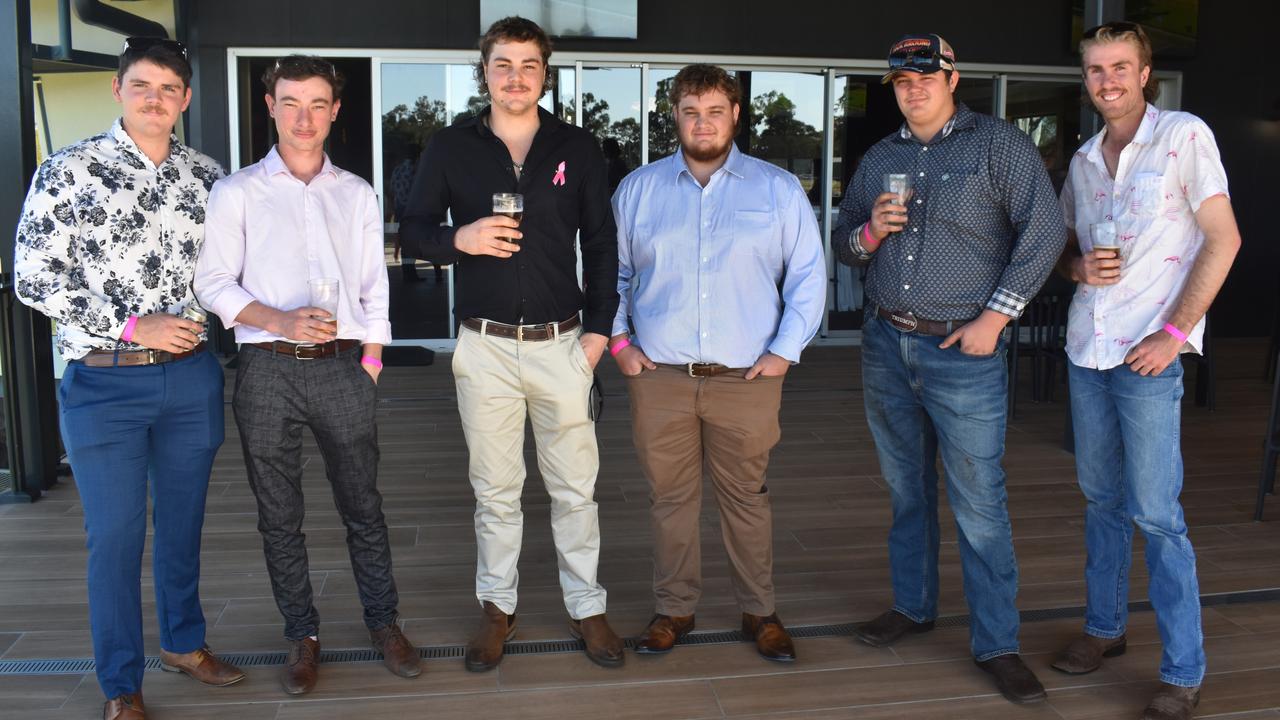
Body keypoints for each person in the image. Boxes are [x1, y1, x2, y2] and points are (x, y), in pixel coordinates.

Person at [13, 36, 244, 720]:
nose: (155, 99)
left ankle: (182, 643)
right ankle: (121, 683)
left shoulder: (210, 178)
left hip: (190, 380)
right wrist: (129, 322)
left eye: (169, 89)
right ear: (119, 90)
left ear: (186, 99)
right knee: (114, 536)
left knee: (182, 524)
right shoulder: (67, 172)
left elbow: (233, 272)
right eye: (142, 85)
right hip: (102, 385)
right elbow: (32, 276)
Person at [832, 33, 1065, 704]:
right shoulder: (881, 157)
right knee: (907, 492)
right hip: (886, 344)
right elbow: (846, 244)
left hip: (962, 353)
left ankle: (998, 643)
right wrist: (871, 231)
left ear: (952, 77)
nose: (914, 87)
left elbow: (1043, 232)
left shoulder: (999, 146)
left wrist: (996, 318)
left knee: (979, 503)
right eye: (902, 80)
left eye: (925, 75)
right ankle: (913, 606)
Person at [398, 17, 624, 671]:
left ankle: (588, 607)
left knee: (574, 490)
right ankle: (498, 609)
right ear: (485, 71)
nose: (516, 76)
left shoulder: (578, 147)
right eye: (504, 64)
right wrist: (458, 240)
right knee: (495, 491)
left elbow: (603, 244)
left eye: (529, 65)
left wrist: (601, 331)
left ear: (544, 74)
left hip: (562, 345)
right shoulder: (450, 146)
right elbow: (413, 229)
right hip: (485, 346)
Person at [195, 54, 419, 695]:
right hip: (266, 370)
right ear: (270, 106)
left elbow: (374, 285)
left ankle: (384, 622)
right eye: (291, 102)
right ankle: (303, 635)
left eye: (317, 104)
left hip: (344, 369)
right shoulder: (237, 191)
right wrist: (278, 319)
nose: (304, 116)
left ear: (335, 111)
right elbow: (212, 281)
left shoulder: (355, 192)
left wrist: (371, 362)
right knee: (278, 515)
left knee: (364, 506)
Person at [1051, 22, 1241, 720]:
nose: (1108, 80)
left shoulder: (1185, 136)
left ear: (1144, 70)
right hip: (1087, 349)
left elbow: (1224, 240)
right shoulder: (1081, 160)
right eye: (1096, 69)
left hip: (1147, 355)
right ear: (1087, 79)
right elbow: (1066, 249)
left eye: (1120, 67)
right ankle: (1104, 630)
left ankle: (1183, 670)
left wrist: (1173, 332)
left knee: (1157, 515)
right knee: (1100, 502)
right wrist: (1073, 266)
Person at [609, 63, 826, 662]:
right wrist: (620, 344)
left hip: (746, 380)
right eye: (689, 111)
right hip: (661, 378)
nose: (702, 123)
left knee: (746, 499)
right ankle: (673, 608)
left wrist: (785, 351)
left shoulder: (777, 190)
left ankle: (761, 611)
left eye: (714, 111)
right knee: (670, 500)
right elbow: (613, 276)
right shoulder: (638, 190)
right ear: (673, 116)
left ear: (735, 115)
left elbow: (808, 277)